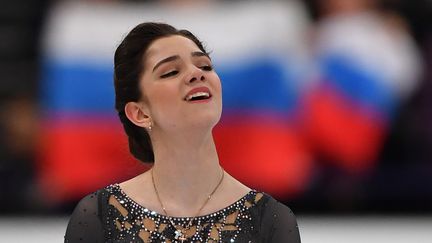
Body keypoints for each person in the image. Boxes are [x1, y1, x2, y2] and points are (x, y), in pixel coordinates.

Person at [64, 22, 301, 243]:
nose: (197, 74)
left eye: (205, 66)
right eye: (170, 72)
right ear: (140, 113)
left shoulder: (269, 220)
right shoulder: (99, 217)